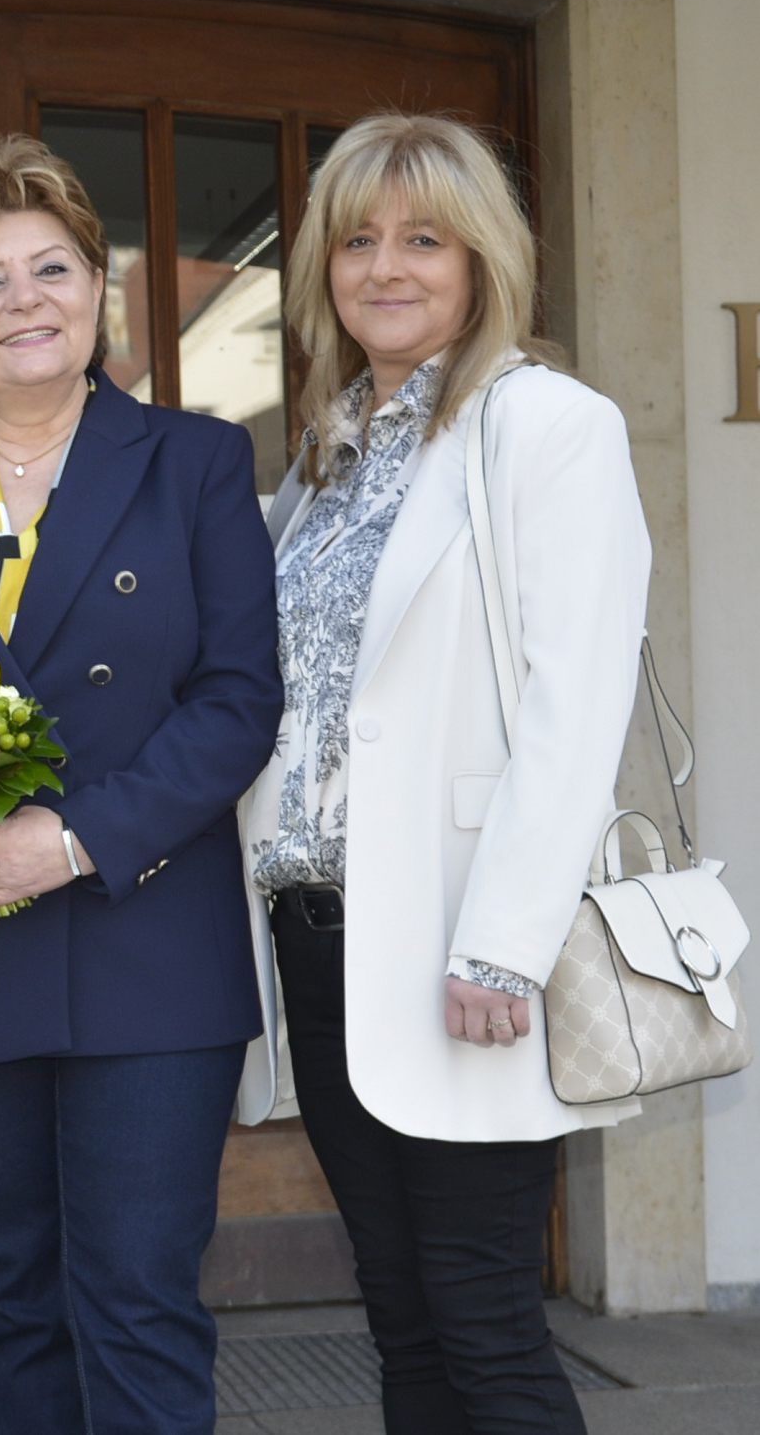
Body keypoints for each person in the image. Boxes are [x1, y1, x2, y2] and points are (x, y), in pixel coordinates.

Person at [236, 112, 650, 1434]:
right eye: (355, 239)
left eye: (422, 237)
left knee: (479, 1313)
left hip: (458, 943)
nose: (385, 266)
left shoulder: (544, 426)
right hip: (320, 944)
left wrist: (504, 946)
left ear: (482, 259)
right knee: (400, 1307)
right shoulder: (322, 454)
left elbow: (574, 704)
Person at [0, 135, 284, 1433]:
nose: (22, 301)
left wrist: (79, 837)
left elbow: (236, 702)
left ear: (97, 289)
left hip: (147, 945)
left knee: (137, 1298)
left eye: (50, 268)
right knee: (14, 1297)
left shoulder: (194, 462)